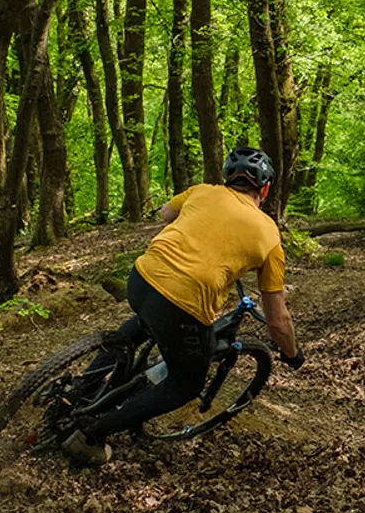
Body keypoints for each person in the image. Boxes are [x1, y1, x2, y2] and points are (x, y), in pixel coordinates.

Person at [61, 147, 303, 466]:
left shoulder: (202, 192)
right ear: (266, 188)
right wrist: (291, 354)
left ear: (228, 178)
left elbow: (164, 213)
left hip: (142, 277)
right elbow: (277, 320)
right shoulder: (270, 236)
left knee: (143, 322)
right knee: (185, 383)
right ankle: (91, 435)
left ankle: (81, 388)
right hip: (183, 304)